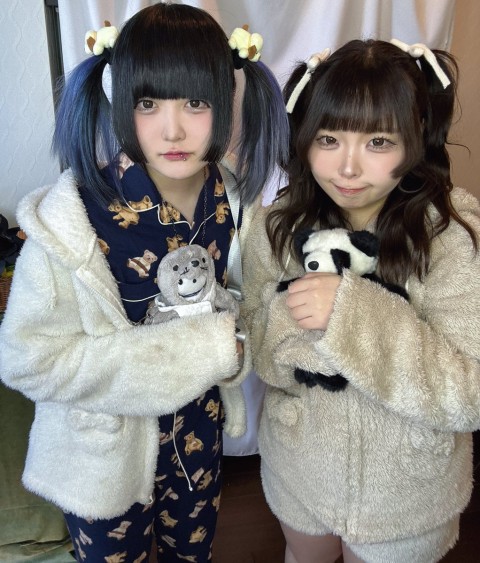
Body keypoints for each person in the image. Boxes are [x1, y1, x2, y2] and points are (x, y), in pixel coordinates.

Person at [0, 3, 288, 562]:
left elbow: (249, 310)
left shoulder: (234, 200)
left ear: (226, 100)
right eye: (148, 103)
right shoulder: (73, 220)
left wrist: (237, 348)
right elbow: (27, 360)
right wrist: (195, 352)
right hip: (102, 459)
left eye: (196, 103)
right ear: (119, 99)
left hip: (200, 443)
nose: (172, 129)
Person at [241, 38, 480, 563]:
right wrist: (292, 314)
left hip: (407, 493)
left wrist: (354, 316)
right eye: (328, 138)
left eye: (378, 141)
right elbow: (257, 352)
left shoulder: (450, 237)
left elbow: (470, 393)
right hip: (300, 471)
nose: (347, 168)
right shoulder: (276, 226)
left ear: (417, 136)